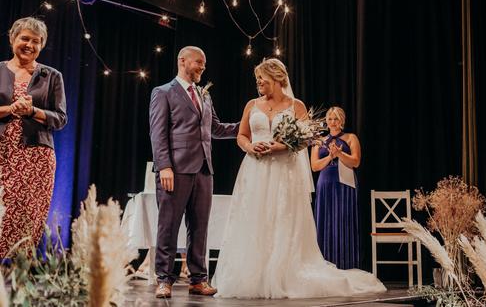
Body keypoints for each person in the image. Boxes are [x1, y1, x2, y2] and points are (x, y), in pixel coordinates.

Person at [212, 58, 385, 298]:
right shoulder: (252, 104)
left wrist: (281, 146)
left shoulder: (296, 106)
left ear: (276, 78)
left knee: (282, 218)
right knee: (254, 218)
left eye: (261, 78)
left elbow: (305, 139)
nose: (258, 83)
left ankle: (281, 273)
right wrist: (249, 147)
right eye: (257, 79)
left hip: (284, 172)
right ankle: (253, 274)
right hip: (255, 170)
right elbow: (242, 135)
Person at [149, 46, 238, 299]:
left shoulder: (204, 96)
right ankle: (164, 278)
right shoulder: (163, 92)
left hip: (203, 170)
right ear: (183, 61)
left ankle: (198, 279)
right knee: (168, 225)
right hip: (174, 169)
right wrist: (164, 165)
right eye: (199, 62)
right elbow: (158, 133)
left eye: (204, 64)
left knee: (200, 227)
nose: (202, 67)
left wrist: (248, 126)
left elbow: (216, 129)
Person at [0, 17, 67, 258]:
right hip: (3, 153)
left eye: (36, 41)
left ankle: (16, 275)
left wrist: (32, 111)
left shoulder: (52, 76)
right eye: (24, 38)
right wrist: (11, 109)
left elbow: (60, 118)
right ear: (12, 39)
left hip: (36, 158)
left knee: (28, 216)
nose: (29, 44)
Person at [311, 107, 361, 269]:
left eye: (336, 119)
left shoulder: (351, 138)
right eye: (330, 119)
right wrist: (330, 157)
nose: (333, 122)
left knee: (344, 221)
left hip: (345, 184)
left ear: (342, 121)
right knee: (325, 220)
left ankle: (346, 264)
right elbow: (314, 166)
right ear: (326, 121)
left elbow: (355, 162)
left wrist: (339, 154)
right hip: (325, 183)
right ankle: (324, 264)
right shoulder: (319, 141)